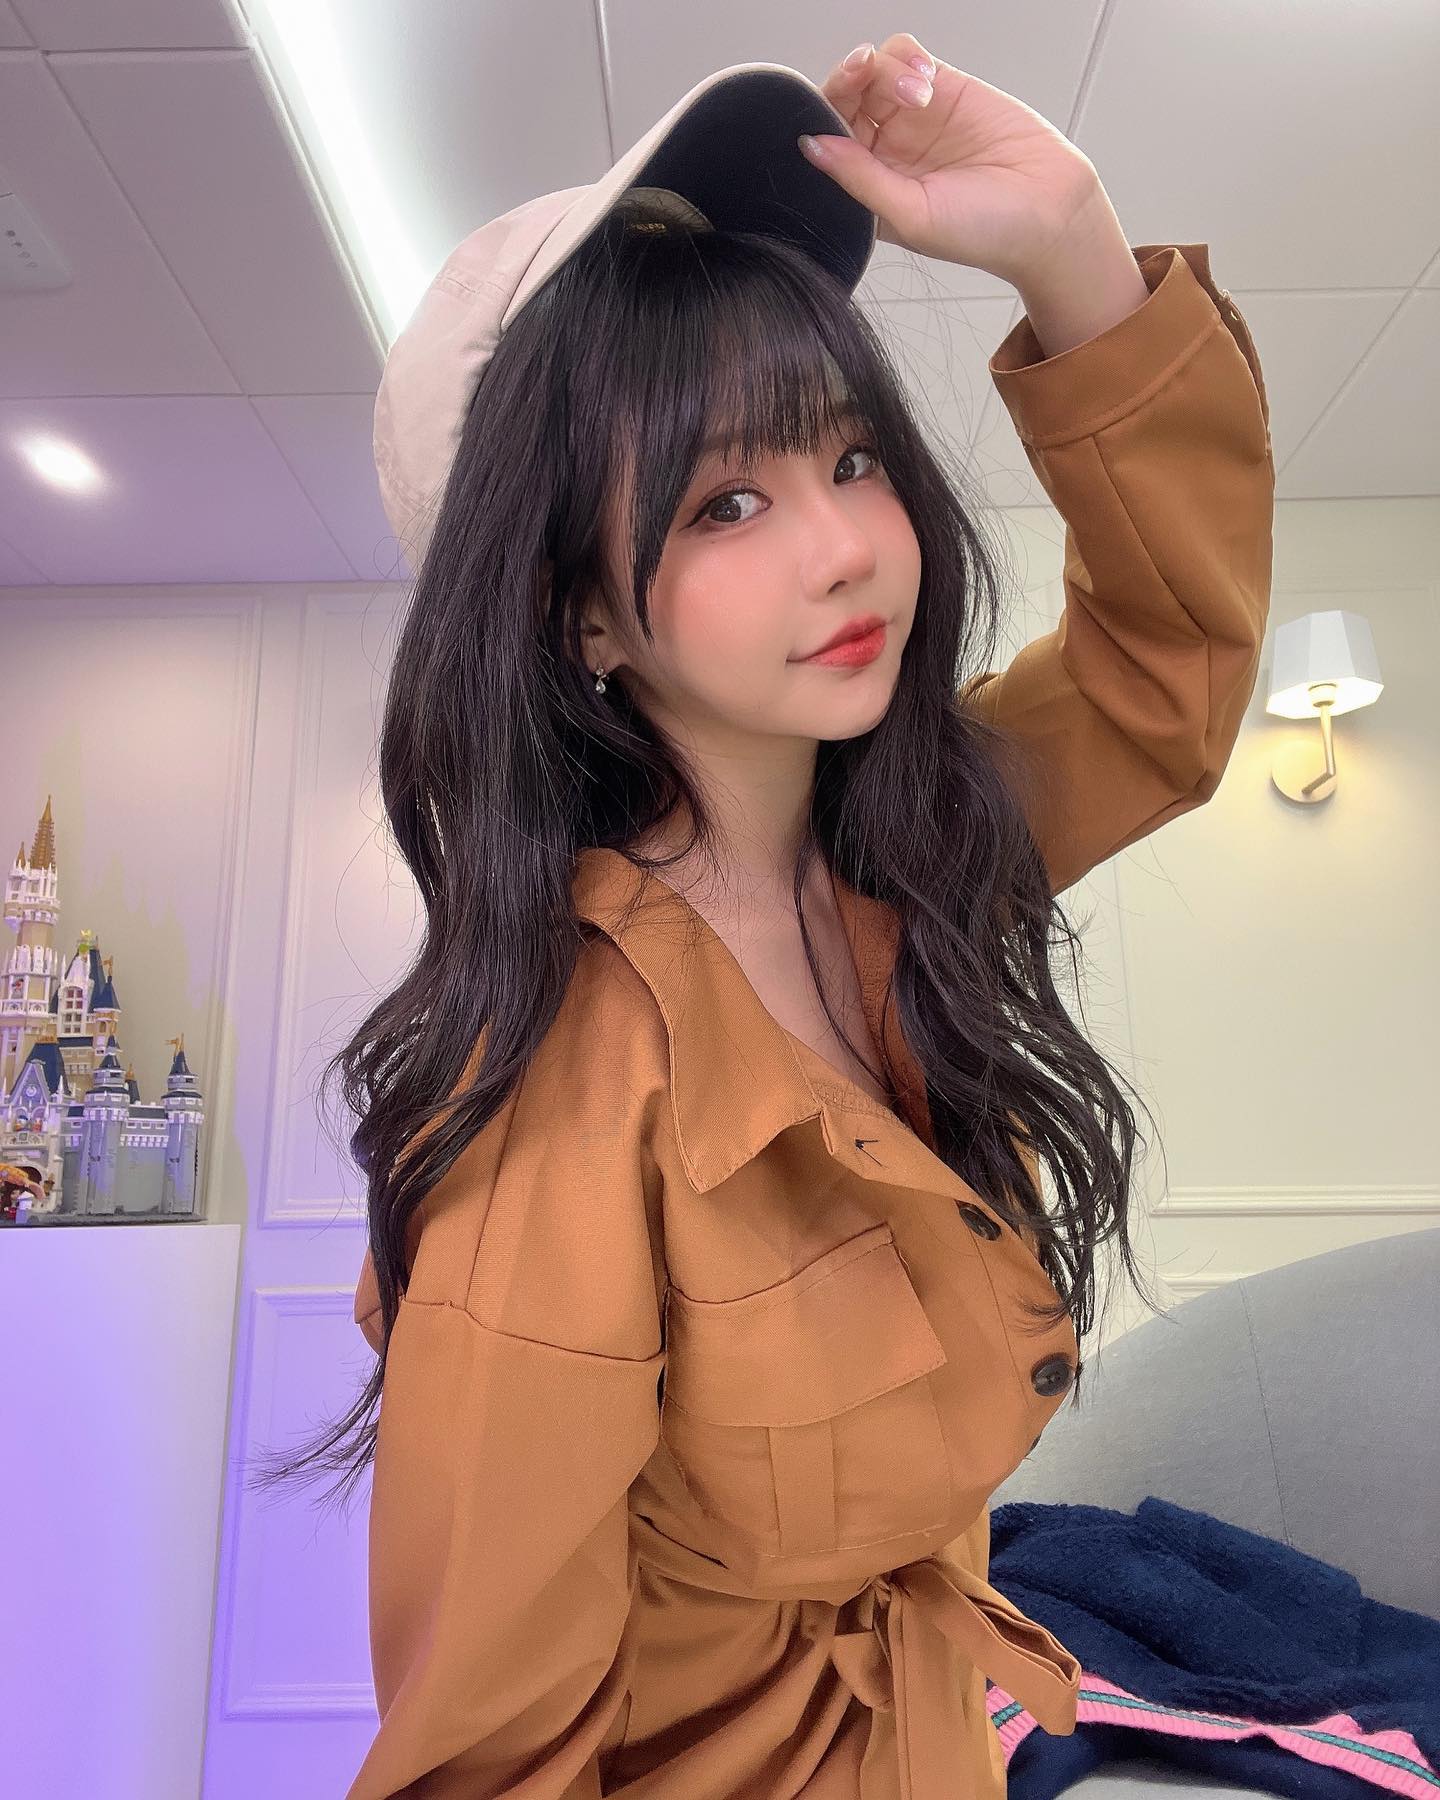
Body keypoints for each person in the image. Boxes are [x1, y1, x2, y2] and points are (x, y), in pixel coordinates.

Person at [251, 35, 1275, 1800]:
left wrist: (1072, 250)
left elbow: (1162, 673)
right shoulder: (560, 1102)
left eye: (852, 459)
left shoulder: (913, 854)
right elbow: (488, 1760)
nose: (844, 547)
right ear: (580, 616)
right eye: (730, 501)